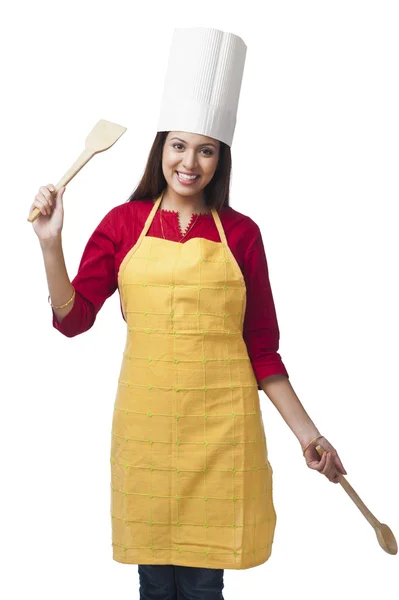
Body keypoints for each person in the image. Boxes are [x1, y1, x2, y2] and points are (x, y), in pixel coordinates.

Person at [29, 28, 347, 600]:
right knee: (155, 582)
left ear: (220, 157)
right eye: (179, 145)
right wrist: (51, 244)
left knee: (203, 585)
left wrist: (309, 435)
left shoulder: (243, 234)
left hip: (221, 430)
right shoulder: (123, 224)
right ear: (161, 148)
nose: (190, 162)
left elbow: (262, 350)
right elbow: (73, 318)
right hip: (148, 429)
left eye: (205, 149)